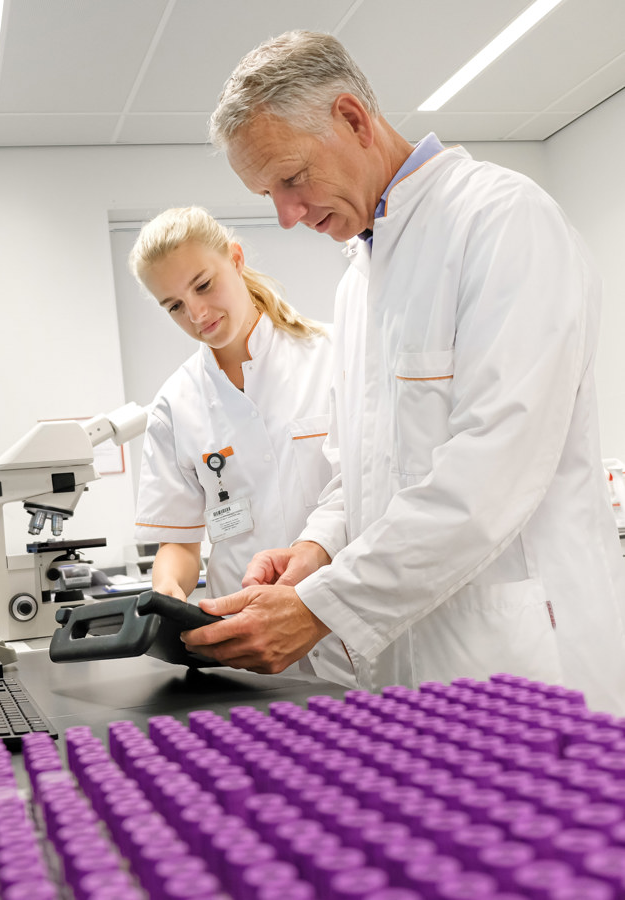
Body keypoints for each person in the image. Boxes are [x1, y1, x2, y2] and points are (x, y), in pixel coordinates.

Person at [182, 30, 625, 713]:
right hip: (414, 664)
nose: (288, 215)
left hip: (524, 659)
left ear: (353, 119)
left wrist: (322, 607)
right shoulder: (362, 276)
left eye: (292, 179)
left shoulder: (501, 221)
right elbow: (359, 467)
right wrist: (316, 549)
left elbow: (490, 472)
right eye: (269, 193)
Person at [129, 206, 355, 687]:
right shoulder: (175, 404)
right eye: (173, 305)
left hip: (346, 625)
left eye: (203, 285)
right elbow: (181, 541)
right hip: (247, 648)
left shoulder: (334, 356)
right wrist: (168, 593)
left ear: (235, 258)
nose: (197, 314)